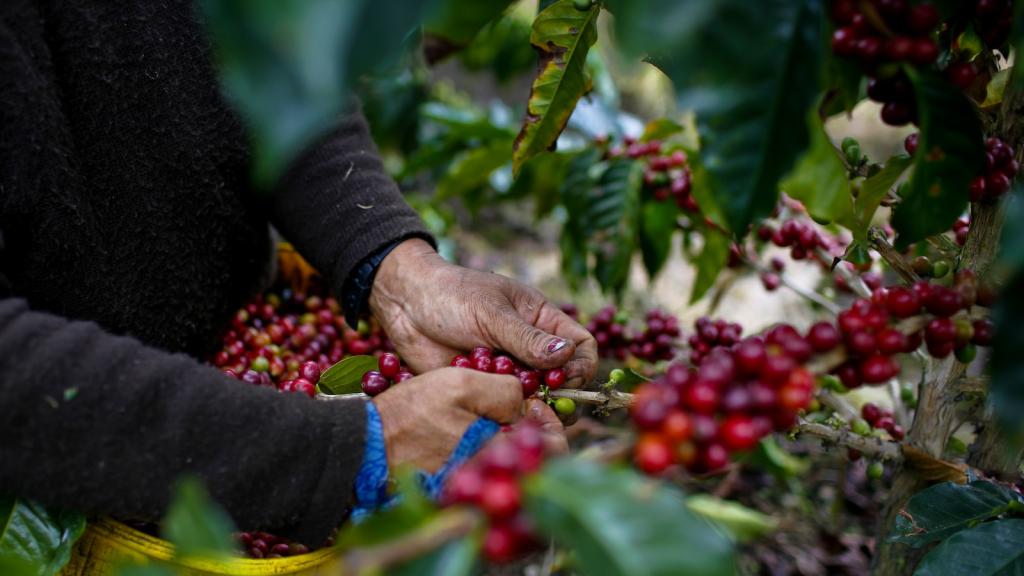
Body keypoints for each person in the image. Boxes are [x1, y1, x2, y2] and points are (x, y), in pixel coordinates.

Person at [0, 0, 597, 545]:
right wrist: (344, 449)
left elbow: (277, 82)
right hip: (49, 489)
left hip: (225, 387)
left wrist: (402, 273)